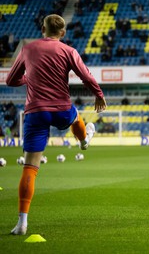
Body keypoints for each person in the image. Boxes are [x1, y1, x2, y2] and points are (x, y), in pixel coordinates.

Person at [6, 14, 107, 235]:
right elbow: (85, 75)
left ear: (42, 28)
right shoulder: (68, 50)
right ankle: (83, 140)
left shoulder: (27, 49)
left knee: (30, 167)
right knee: (75, 116)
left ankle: (22, 222)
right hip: (61, 108)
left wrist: (27, 78)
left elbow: (10, 80)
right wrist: (98, 94)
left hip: (36, 112)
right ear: (62, 32)